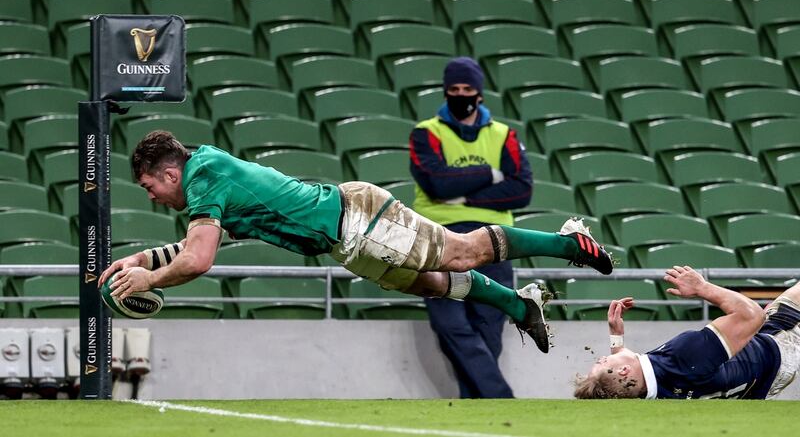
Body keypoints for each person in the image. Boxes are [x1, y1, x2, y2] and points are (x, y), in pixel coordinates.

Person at [98, 131, 614, 353]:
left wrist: (149, 278)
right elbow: (194, 246)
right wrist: (142, 259)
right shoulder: (208, 187)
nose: (152, 197)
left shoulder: (204, 177)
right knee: (430, 283)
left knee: (460, 252)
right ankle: (518, 304)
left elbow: (198, 260)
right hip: (346, 239)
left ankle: (569, 242)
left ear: (169, 172)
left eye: (150, 188)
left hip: (357, 219)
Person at [409, 56, 530, 397]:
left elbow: (521, 190)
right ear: (445, 91)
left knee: (489, 324)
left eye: (468, 89)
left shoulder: (505, 135)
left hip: (495, 241)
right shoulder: (425, 134)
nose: (461, 95)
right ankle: (498, 398)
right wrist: (491, 175)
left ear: (480, 93)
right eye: (454, 89)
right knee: (449, 323)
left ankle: (477, 405)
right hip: (439, 239)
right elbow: (435, 184)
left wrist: (462, 199)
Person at [574, 266, 800, 399]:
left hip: (760, 385)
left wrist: (617, 341)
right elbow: (753, 316)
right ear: (623, 370)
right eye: (602, 361)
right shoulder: (685, 356)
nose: (603, 357)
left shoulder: (648, 394)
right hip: (778, 344)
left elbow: (626, 380)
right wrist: (703, 288)